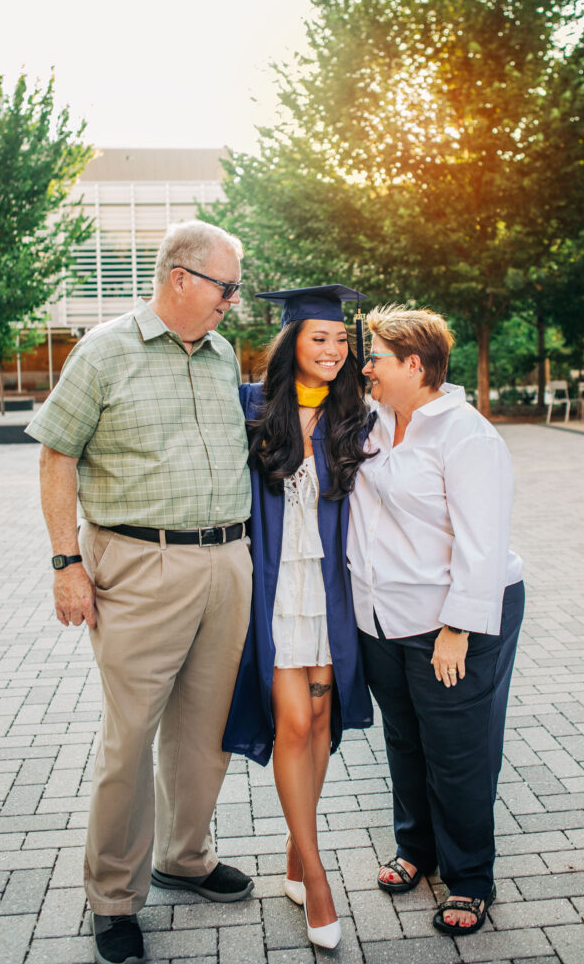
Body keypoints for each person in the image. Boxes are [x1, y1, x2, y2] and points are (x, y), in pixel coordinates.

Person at [26, 221, 254, 964]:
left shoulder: (221, 355)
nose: (233, 301)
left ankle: (184, 858)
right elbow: (57, 454)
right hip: (139, 567)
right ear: (181, 277)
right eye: (226, 287)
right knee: (130, 741)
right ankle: (114, 899)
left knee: (204, 731)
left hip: (226, 561)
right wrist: (66, 562)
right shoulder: (104, 350)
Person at [348, 305, 525, 937]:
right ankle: (418, 849)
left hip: (453, 621)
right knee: (405, 739)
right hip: (381, 616)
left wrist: (457, 630)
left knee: (459, 752)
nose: (365, 366)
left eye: (378, 358)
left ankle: (470, 877)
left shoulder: (465, 434)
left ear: (415, 365)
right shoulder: (371, 420)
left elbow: (483, 541)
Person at [222, 286, 374, 950]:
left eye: (341, 341)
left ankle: (293, 846)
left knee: (319, 720)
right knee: (290, 719)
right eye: (319, 339)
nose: (333, 351)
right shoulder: (251, 408)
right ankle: (314, 875)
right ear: (292, 344)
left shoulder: (355, 416)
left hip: (328, 593)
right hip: (276, 589)